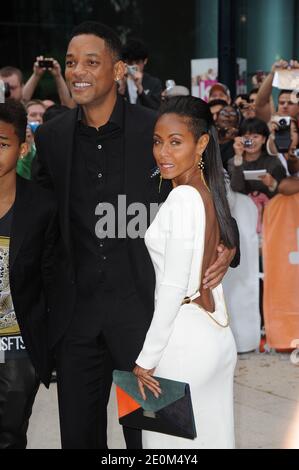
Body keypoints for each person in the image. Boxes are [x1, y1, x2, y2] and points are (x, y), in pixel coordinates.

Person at [33, 21, 239, 450]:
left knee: (152, 445)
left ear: (119, 69)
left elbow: (203, 183)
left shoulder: (156, 130)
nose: (78, 71)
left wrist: (227, 242)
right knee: (79, 440)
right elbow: (41, 221)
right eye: (71, 62)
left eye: (92, 61)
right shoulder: (51, 139)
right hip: (77, 325)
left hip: (147, 324)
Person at [133, 96, 237, 449]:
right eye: (158, 141)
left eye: (176, 142)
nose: (163, 152)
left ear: (202, 143)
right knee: (212, 440)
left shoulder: (181, 199)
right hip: (214, 337)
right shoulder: (207, 192)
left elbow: (174, 287)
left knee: (169, 450)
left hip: (182, 345)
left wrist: (146, 360)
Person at [0, 99, 56, 448]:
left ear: (22, 148)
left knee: (10, 436)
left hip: (18, 347)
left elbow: (53, 280)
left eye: (2, 144)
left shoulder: (42, 206)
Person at [228, 118, 286, 199]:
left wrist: (273, 184)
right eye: (246, 137)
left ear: (264, 139)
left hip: (269, 208)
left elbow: (283, 194)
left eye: (255, 136)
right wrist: (238, 157)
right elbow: (236, 189)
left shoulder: (274, 162)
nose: (251, 141)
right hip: (242, 208)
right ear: (240, 139)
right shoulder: (233, 162)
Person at [118, 38, 162, 110]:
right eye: (130, 62)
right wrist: (122, 87)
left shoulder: (154, 83)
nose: (134, 66)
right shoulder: (117, 81)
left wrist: (140, 89)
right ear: (124, 62)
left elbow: (155, 109)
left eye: (137, 62)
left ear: (145, 61)